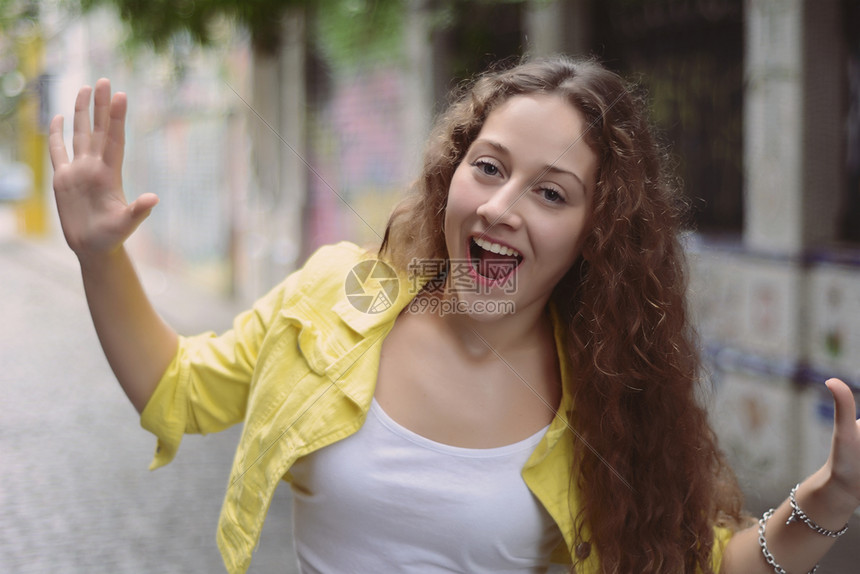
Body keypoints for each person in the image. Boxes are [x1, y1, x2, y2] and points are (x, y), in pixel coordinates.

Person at [49, 56, 860, 574]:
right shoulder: (337, 297)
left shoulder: (611, 396)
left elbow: (701, 566)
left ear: (595, 234)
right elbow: (176, 390)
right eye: (490, 168)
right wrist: (99, 255)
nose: (503, 207)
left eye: (551, 192)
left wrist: (824, 501)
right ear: (452, 174)